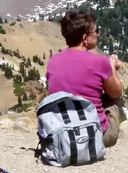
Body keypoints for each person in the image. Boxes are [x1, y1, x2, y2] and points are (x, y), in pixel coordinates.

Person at [46, 11, 123, 147]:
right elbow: (116, 91)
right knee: (111, 98)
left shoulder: (53, 60)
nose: (98, 34)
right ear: (85, 38)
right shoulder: (99, 61)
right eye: (96, 31)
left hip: (62, 135)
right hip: (95, 136)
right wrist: (112, 68)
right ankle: (110, 129)